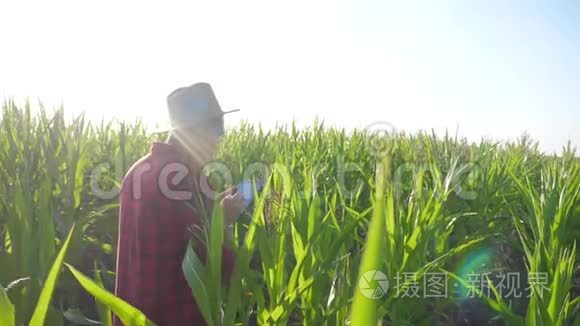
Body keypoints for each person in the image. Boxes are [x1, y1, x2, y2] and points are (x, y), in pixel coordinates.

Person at [113, 82, 245, 325]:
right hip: (174, 316)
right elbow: (212, 265)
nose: (219, 142)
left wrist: (215, 211)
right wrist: (223, 221)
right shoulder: (183, 182)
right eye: (213, 131)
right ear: (190, 135)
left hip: (131, 316)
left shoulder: (138, 171)